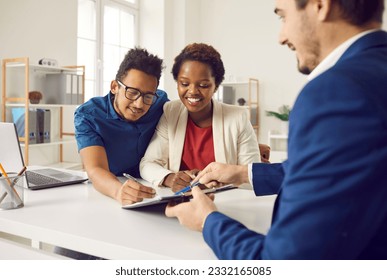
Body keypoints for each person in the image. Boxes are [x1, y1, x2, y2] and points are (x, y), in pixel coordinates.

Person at [165, 0, 387, 259]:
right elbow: (343, 171)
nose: (282, 37)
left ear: (320, 5)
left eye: (283, 17)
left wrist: (208, 222)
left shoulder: (336, 91)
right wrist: (241, 174)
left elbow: (284, 263)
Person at [140, 43, 261, 192]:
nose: (192, 92)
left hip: (224, 204)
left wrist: (216, 181)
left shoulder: (238, 117)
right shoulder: (171, 112)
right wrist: (170, 178)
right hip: (180, 202)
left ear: (215, 86)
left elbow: (253, 176)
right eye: (184, 83)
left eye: (203, 85)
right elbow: (147, 164)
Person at [74, 47, 168, 205]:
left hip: (156, 185)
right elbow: (96, 169)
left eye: (148, 96)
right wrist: (119, 191)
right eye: (132, 92)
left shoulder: (160, 102)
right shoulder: (88, 115)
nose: (139, 104)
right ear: (114, 87)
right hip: (113, 187)